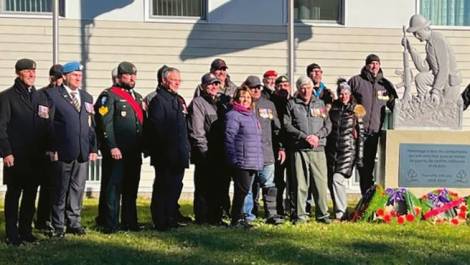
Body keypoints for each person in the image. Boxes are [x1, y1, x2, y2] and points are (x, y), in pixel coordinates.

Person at [0, 59, 53, 246]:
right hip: (15, 156)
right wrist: (6, 152)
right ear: (18, 73)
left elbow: (46, 125)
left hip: (35, 156)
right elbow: (1, 128)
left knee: (31, 195)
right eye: (27, 71)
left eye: (33, 71)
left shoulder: (40, 97)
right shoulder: (7, 97)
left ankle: (25, 231)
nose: (31, 74)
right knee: (14, 194)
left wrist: (49, 149)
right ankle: (12, 234)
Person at [46, 61, 98, 238]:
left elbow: (91, 126)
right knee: (60, 188)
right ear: (65, 76)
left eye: (80, 75)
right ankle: (58, 225)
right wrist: (51, 148)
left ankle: (74, 222)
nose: (78, 78)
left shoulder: (86, 97)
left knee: (78, 188)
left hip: (82, 151)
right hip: (62, 151)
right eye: (74, 75)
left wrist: (93, 148)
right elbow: (48, 125)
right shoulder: (53, 95)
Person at [94, 62, 144, 233]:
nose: (132, 78)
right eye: (128, 75)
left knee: (131, 187)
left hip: (133, 151)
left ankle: (130, 221)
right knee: (113, 188)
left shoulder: (137, 97)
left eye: (134, 75)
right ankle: (110, 223)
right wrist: (112, 146)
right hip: (117, 151)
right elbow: (104, 123)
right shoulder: (109, 95)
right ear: (120, 76)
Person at [145, 67, 190, 231]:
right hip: (165, 155)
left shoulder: (177, 100)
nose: (177, 83)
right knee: (163, 187)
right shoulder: (158, 101)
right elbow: (157, 130)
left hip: (179, 153)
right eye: (174, 80)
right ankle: (160, 220)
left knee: (176, 187)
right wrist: (166, 152)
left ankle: (171, 217)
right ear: (164, 81)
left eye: (179, 80)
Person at [283, 76, 332, 224]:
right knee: (300, 184)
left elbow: (328, 125)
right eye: (302, 87)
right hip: (299, 150)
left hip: (318, 149)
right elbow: (287, 125)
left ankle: (323, 215)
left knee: (321, 184)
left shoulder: (320, 103)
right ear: (298, 89)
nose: (306, 90)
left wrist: (317, 137)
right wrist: (304, 137)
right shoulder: (291, 104)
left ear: (312, 89)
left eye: (308, 87)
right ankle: (300, 216)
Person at [348, 54, 397, 196]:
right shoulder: (356, 81)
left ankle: (367, 198)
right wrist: (352, 126)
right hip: (356, 132)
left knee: (367, 167)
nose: (374, 66)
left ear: (380, 65)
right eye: (371, 63)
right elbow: (345, 102)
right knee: (350, 165)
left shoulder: (385, 85)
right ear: (366, 65)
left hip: (374, 133)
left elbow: (396, 106)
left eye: (376, 63)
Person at [188, 73, 230, 225]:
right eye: (210, 84)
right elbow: (197, 130)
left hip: (221, 153)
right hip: (205, 152)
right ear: (203, 86)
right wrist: (203, 151)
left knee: (219, 186)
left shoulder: (222, 103)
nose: (214, 87)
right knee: (204, 187)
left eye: (216, 84)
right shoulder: (198, 103)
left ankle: (216, 217)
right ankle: (203, 218)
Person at [242, 76, 285, 225]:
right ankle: (248, 215)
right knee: (248, 187)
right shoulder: (243, 105)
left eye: (258, 87)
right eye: (253, 87)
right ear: (246, 88)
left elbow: (277, 129)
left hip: (267, 152)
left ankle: (271, 214)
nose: (256, 90)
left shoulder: (268, 104)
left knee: (269, 184)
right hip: (248, 154)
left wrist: (281, 147)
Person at [326, 79, 365, 220]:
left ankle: (341, 214)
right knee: (332, 182)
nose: (344, 96)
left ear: (350, 94)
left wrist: (360, 156)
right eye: (341, 93)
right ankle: (339, 210)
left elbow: (361, 135)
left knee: (337, 180)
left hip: (348, 151)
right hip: (332, 151)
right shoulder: (332, 108)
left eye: (346, 93)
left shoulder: (357, 109)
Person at [225, 86, 263, 228]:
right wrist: (233, 159)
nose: (245, 100)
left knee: (246, 191)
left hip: (252, 160)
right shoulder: (233, 115)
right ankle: (235, 220)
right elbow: (229, 138)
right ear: (236, 98)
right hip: (241, 160)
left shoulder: (251, 115)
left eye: (248, 97)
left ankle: (241, 218)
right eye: (242, 96)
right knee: (241, 192)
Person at [402, 14, 462, 102]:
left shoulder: (438, 39)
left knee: (444, 111)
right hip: (440, 79)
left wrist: (436, 91)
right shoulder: (429, 45)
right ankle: (423, 101)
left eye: (417, 33)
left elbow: (444, 69)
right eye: (414, 34)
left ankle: (429, 102)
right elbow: (424, 68)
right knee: (420, 78)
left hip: (449, 83)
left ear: (425, 28)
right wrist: (410, 49)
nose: (416, 36)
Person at [35, 64, 63, 232]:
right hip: (47, 146)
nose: (59, 81)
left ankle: (57, 218)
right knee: (47, 184)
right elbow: (43, 121)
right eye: (57, 77)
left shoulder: (65, 95)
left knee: (58, 185)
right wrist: (49, 147)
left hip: (63, 145)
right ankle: (43, 219)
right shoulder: (42, 95)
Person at [270, 75, 292, 216]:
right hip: (277, 146)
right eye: (280, 86)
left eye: (285, 85)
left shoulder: (293, 102)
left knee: (294, 180)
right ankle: (277, 208)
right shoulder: (272, 103)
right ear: (275, 87)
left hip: (293, 146)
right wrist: (281, 146)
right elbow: (275, 127)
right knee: (278, 180)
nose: (283, 88)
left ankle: (292, 208)